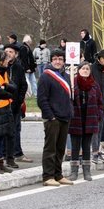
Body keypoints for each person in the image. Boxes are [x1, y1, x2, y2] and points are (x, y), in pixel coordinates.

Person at [37, 49, 74, 186]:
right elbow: (42, 99)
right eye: (55, 59)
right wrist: (50, 116)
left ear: (63, 61)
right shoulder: (46, 76)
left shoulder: (66, 75)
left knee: (60, 148)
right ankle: (48, 176)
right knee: (50, 148)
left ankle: (58, 174)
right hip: (53, 118)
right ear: (51, 61)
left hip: (65, 116)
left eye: (60, 59)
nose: (58, 61)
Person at [68, 62, 103, 181]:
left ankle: (87, 171)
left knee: (86, 146)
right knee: (75, 147)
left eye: (87, 69)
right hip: (76, 118)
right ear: (78, 70)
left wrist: (99, 114)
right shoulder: (73, 83)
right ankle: (74, 171)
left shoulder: (94, 85)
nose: (85, 70)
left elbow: (100, 101)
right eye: (83, 68)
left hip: (90, 118)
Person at [4, 43, 31, 167]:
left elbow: (23, 85)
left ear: (16, 54)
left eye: (11, 52)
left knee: (15, 129)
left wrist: (19, 100)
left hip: (15, 104)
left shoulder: (18, 67)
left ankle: (17, 153)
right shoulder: (0, 66)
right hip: (2, 103)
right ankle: (3, 154)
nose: (8, 54)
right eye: (7, 51)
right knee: (3, 129)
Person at [90, 50, 104, 163]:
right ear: (101, 59)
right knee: (95, 130)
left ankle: (97, 152)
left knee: (100, 129)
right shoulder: (92, 69)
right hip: (94, 104)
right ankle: (94, 153)